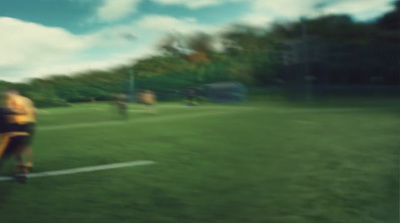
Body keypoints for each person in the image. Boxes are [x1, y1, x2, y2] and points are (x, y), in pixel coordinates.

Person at [5, 90, 37, 172]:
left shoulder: (14, 100)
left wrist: (11, 120)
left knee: (17, 145)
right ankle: (29, 164)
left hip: (21, 124)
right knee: (25, 145)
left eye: (9, 95)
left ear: (13, 94)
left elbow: (16, 112)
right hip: (30, 124)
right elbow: (35, 112)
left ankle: (20, 165)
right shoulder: (27, 100)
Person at [0, 105, 30, 183]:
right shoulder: (4, 109)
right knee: (18, 155)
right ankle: (21, 175)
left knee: (2, 156)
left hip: (11, 137)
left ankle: (20, 176)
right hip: (20, 134)